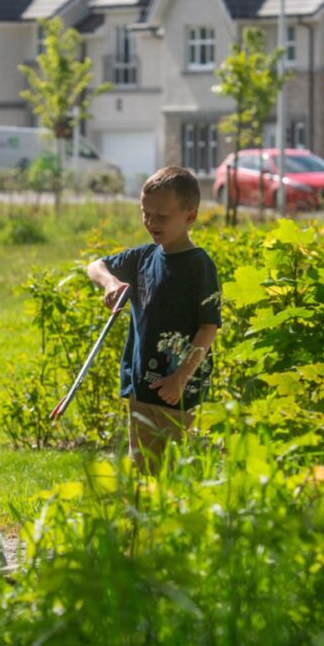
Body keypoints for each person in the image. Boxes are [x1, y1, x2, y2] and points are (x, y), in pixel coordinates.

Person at [85, 166, 222, 468]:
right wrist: (110, 282)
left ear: (190, 216)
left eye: (161, 216)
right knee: (143, 466)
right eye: (145, 213)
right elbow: (95, 266)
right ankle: (144, 514)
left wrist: (181, 377)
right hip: (142, 386)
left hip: (180, 391)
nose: (150, 222)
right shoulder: (143, 257)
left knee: (175, 469)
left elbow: (208, 327)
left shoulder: (199, 266)